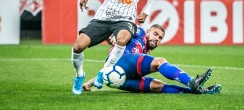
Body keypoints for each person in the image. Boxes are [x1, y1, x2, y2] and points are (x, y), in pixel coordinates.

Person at [71, 0, 159, 95]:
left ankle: (103, 73)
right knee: (78, 46)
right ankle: (80, 75)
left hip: (126, 18)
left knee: (122, 38)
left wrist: (145, 12)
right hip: (104, 16)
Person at [83, 24, 221, 94]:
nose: (157, 38)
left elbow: (110, 70)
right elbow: (125, 28)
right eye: (155, 34)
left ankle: (195, 91)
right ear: (148, 31)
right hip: (122, 61)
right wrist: (112, 35)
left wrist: (90, 82)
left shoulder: (145, 52)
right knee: (159, 62)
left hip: (117, 79)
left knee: (157, 86)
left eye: (160, 38)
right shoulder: (140, 32)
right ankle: (192, 81)